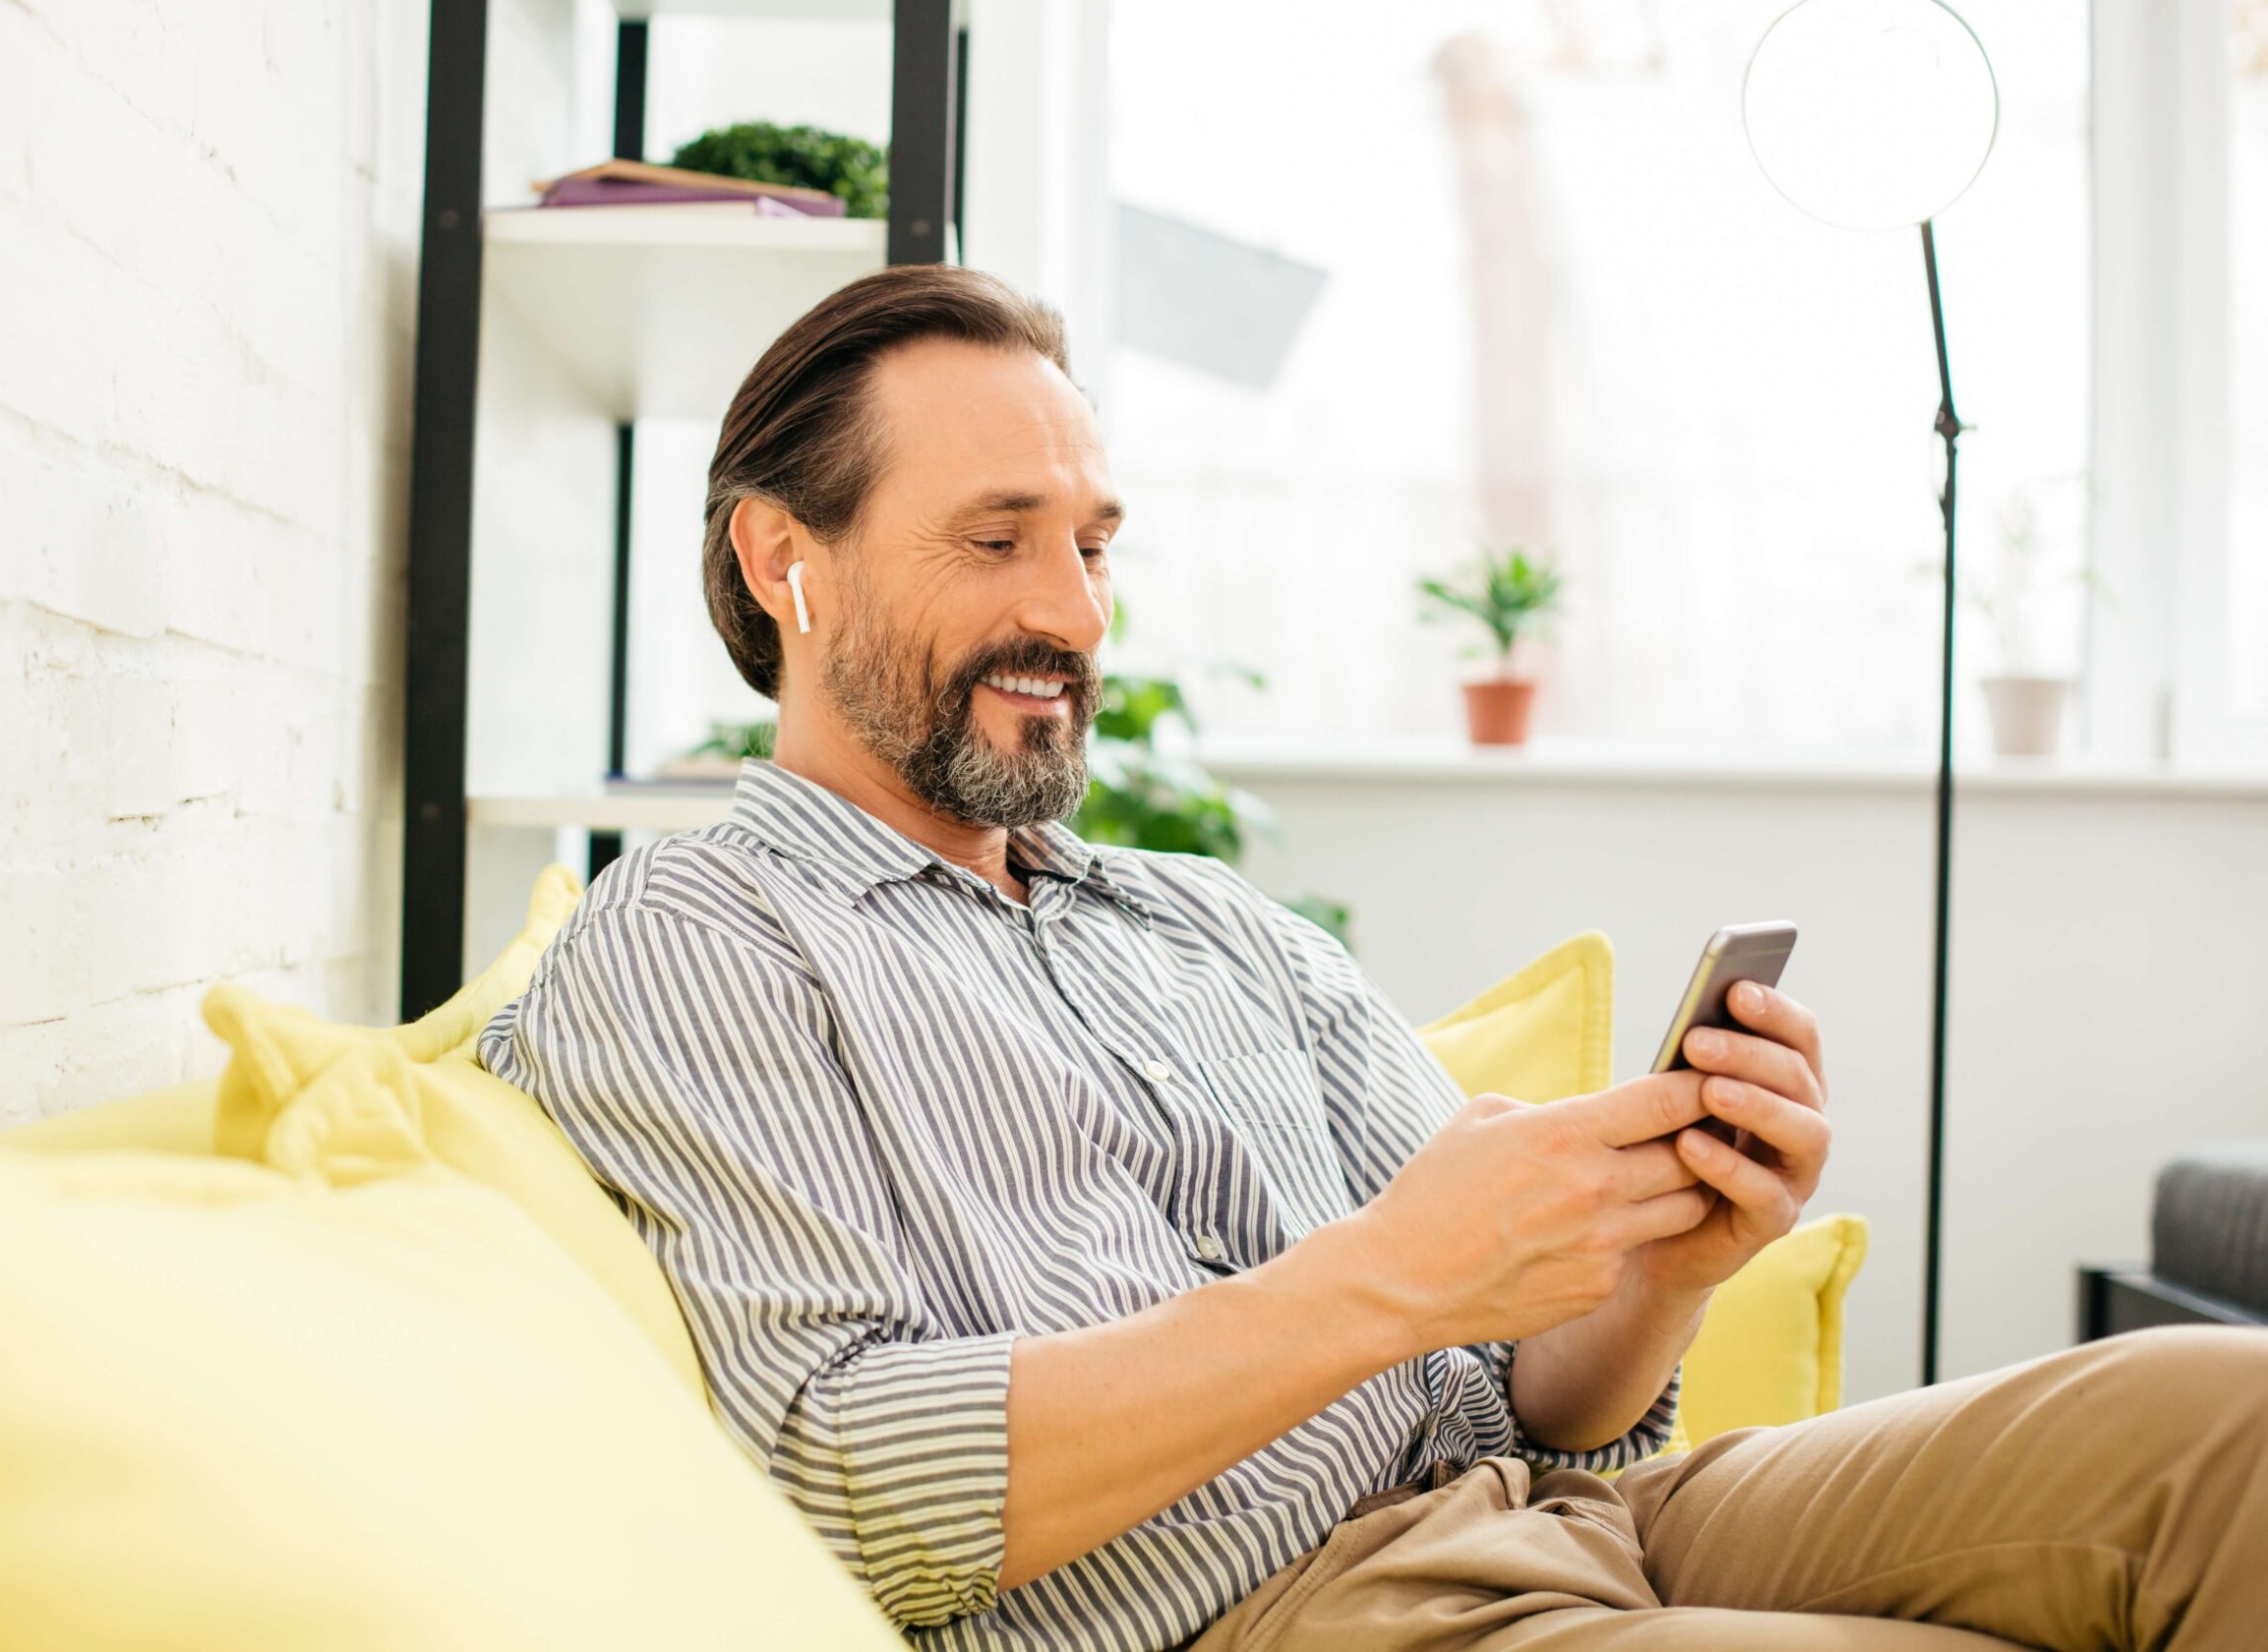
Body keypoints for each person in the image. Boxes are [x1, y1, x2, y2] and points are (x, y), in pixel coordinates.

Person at [476, 266, 2267, 1652]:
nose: (1079, 617)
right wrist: (1388, 1276)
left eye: (1094, 547)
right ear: (785, 561)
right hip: (1279, 1617)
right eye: (998, 541)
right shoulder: (699, 938)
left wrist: (1664, 1275)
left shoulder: (1207, 927)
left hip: (1569, 1521)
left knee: (2230, 1423)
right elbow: (846, 1476)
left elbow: (1521, 1399)